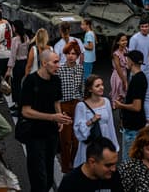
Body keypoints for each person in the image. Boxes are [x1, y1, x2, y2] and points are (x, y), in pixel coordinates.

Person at [21, 50, 72, 192]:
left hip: (51, 134)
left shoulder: (56, 80)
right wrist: (52, 117)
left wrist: (60, 118)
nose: (59, 65)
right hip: (34, 134)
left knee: (49, 174)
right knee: (38, 177)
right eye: (55, 62)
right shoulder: (30, 81)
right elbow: (25, 111)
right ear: (44, 63)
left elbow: (56, 102)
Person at [73, 75, 119, 168]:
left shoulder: (106, 102)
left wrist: (114, 146)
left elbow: (111, 125)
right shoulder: (81, 106)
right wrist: (91, 121)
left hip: (105, 142)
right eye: (97, 86)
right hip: (90, 144)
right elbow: (78, 130)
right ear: (90, 89)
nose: (101, 87)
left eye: (102, 84)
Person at [113, 50, 148, 161]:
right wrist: (125, 99)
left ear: (131, 62)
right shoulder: (140, 77)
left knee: (128, 160)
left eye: (127, 59)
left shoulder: (137, 80)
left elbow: (136, 107)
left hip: (133, 126)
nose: (126, 61)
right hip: (137, 124)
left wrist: (120, 105)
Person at [58, 137, 122, 192]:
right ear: (92, 162)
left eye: (114, 164)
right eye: (108, 165)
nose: (113, 169)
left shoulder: (114, 175)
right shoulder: (70, 183)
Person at [57, 41, 84, 173]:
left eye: (73, 53)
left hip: (77, 105)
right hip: (64, 105)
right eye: (68, 53)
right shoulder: (60, 69)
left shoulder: (80, 68)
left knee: (77, 139)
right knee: (66, 139)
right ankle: (65, 166)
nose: (71, 56)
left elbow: (81, 88)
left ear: (78, 55)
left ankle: (73, 163)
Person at [128, 19, 149, 129]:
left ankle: (148, 120)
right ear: (139, 27)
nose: (144, 28)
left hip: (147, 69)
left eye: (146, 26)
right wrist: (131, 70)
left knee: (148, 94)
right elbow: (130, 56)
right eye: (142, 27)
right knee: (134, 95)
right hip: (136, 70)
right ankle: (132, 119)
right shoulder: (134, 39)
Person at [5, 19, 30, 116]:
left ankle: (18, 107)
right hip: (24, 63)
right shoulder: (26, 37)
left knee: (16, 86)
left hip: (18, 64)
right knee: (20, 84)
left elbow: (13, 56)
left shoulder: (15, 40)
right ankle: (17, 105)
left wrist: (8, 69)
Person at [110, 33, 128, 104]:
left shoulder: (126, 50)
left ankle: (121, 108)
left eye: (126, 40)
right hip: (118, 75)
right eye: (122, 40)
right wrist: (124, 80)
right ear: (118, 42)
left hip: (124, 73)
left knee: (123, 92)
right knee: (118, 92)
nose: (125, 42)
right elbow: (118, 68)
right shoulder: (116, 54)